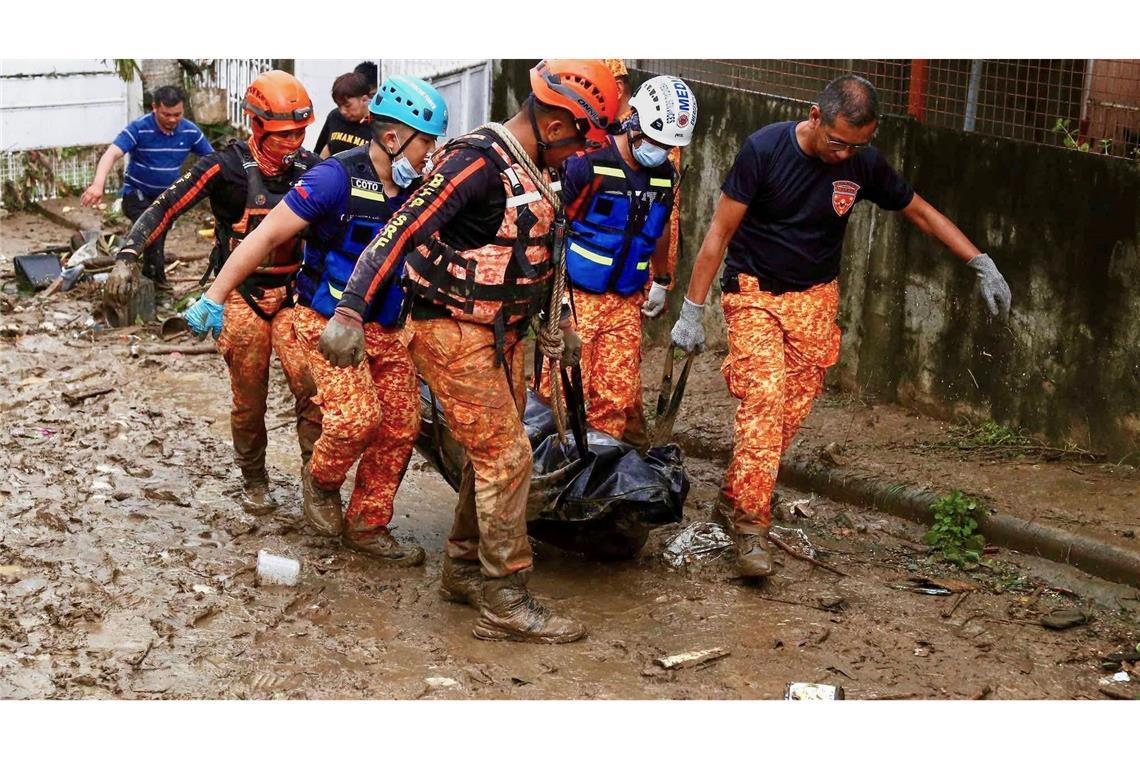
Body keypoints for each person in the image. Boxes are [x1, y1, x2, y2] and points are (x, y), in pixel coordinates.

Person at [318, 59, 620, 643]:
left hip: (500, 333)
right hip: (452, 331)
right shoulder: (475, 162)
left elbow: (548, 249)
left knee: (495, 457)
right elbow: (401, 227)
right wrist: (351, 309)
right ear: (558, 125)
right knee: (509, 458)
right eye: (583, 136)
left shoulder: (540, 168)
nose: (584, 151)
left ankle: (462, 567)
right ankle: (505, 597)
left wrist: (561, 318)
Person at [669, 75, 1012, 581]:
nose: (845, 154)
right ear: (814, 117)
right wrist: (692, 310)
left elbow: (917, 210)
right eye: (838, 142)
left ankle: (735, 496)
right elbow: (719, 233)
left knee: (788, 413)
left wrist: (978, 260)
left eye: (859, 145)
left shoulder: (861, 163)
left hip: (815, 299)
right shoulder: (763, 150)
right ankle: (750, 527)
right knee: (763, 400)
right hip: (754, 294)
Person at [190, 75, 449, 566]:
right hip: (325, 323)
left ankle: (367, 525)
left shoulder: (423, 188)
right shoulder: (334, 178)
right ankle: (321, 482)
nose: (431, 154)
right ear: (393, 139)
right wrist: (216, 295)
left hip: (389, 328)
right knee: (355, 419)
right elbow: (265, 236)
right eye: (426, 143)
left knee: (399, 427)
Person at [107, 70, 320, 515]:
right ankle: (254, 477)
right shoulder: (224, 168)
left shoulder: (312, 169)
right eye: (284, 133)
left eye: (301, 131)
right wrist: (129, 254)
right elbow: (167, 205)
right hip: (241, 294)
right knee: (249, 398)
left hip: (295, 293)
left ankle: (316, 482)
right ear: (256, 124)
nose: (294, 142)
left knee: (312, 389)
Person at [551, 75, 697, 443]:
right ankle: (545, 478)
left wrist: (661, 280)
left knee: (614, 399)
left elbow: (659, 226)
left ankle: (595, 485)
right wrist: (552, 301)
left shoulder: (665, 175)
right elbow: (552, 225)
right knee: (561, 392)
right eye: (656, 141)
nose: (661, 151)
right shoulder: (585, 166)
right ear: (635, 121)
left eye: (669, 146)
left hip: (625, 302)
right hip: (577, 296)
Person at [81, 86, 213, 289]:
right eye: (166, 114)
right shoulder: (139, 128)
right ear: (154, 108)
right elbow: (112, 154)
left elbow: (212, 159)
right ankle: (156, 282)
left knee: (153, 236)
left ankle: (143, 274)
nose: (172, 119)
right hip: (136, 195)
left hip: (167, 199)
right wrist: (98, 184)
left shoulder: (189, 131)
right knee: (153, 232)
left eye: (177, 114)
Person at [313, 72, 373, 158]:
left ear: (364, 100)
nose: (343, 111)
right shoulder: (335, 117)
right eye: (339, 105)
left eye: (347, 105)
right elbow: (319, 152)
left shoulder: (377, 126)